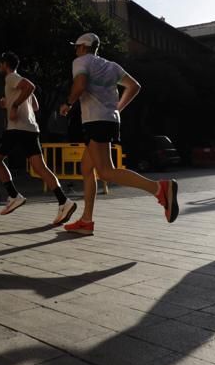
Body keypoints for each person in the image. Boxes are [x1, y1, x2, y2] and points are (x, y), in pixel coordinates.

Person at [59, 33, 179, 235]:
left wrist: (68, 104)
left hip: (95, 122)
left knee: (106, 171)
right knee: (87, 169)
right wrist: (117, 108)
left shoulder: (80, 61)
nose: (75, 49)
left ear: (83, 47)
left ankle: (159, 188)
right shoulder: (111, 66)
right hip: (109, 120)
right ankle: (86, 221)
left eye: (76, 46)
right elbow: (134, 86)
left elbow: (79, 85)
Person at [0, 51, 77, 225]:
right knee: (41, 168)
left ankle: (14, 195)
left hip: (16, 129)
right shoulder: (17, 81)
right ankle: (64, 202)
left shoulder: (11, 77)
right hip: (30, 129)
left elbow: (30, 87)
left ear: (5, 64)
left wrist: (13, 104)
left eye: (0, 65)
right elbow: (35, 106)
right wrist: (8, 102)